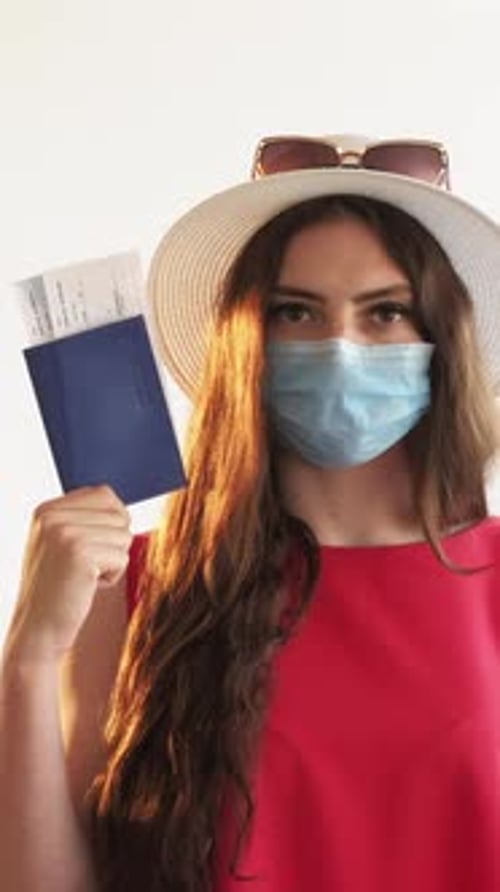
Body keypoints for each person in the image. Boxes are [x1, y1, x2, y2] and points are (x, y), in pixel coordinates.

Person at [2, 143, 500, 892]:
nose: (339, 346)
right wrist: (29, 659)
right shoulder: (137, 583)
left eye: (385, 312)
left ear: (439, 340)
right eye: (295, 311)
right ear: (245, 343)